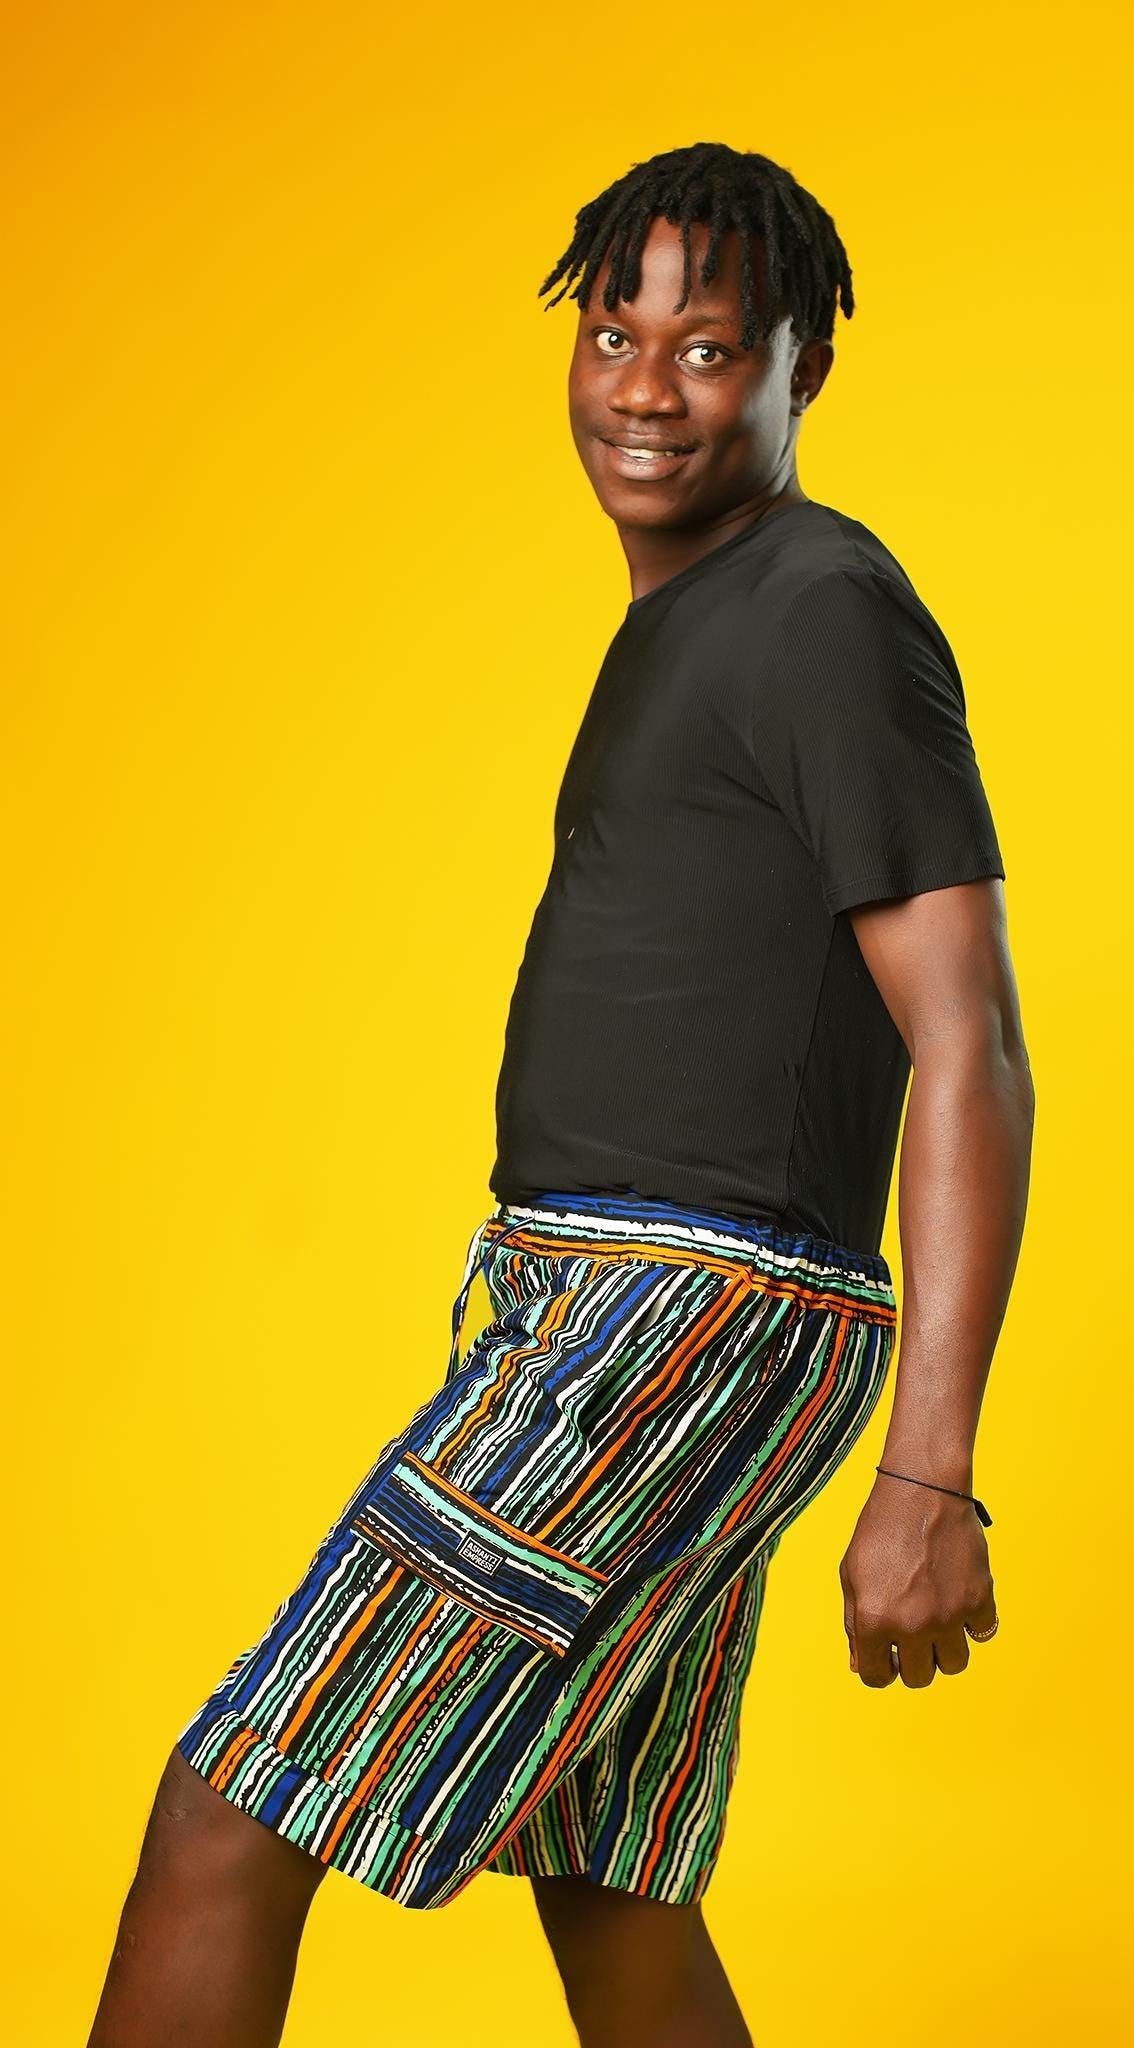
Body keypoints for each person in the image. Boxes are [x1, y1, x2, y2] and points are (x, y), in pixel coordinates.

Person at [89, 140, 1034, 2048]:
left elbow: (970, 1041)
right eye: (614, 335)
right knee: (611, 1890)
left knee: (230, 1811)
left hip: (676, 1313)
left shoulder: (820, 608)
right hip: (619, 1297)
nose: (645, 391)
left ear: (802, 367)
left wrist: (930, 1473)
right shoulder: (701, 616)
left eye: (709, 347)